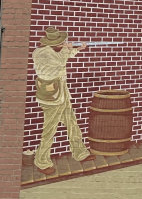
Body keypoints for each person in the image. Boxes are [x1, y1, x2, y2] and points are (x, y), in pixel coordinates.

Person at [32, 27, 95, 175]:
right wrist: (67, 49)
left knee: (71, 122)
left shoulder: (51, 51)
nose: (64, 43)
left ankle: (80, 152)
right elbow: (60, 62)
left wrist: (77, 49)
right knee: (49, 129)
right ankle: (41, 161)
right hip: (52, 96)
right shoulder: (43, 54)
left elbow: (63, 57)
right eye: (62, 42)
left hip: (61, 92)